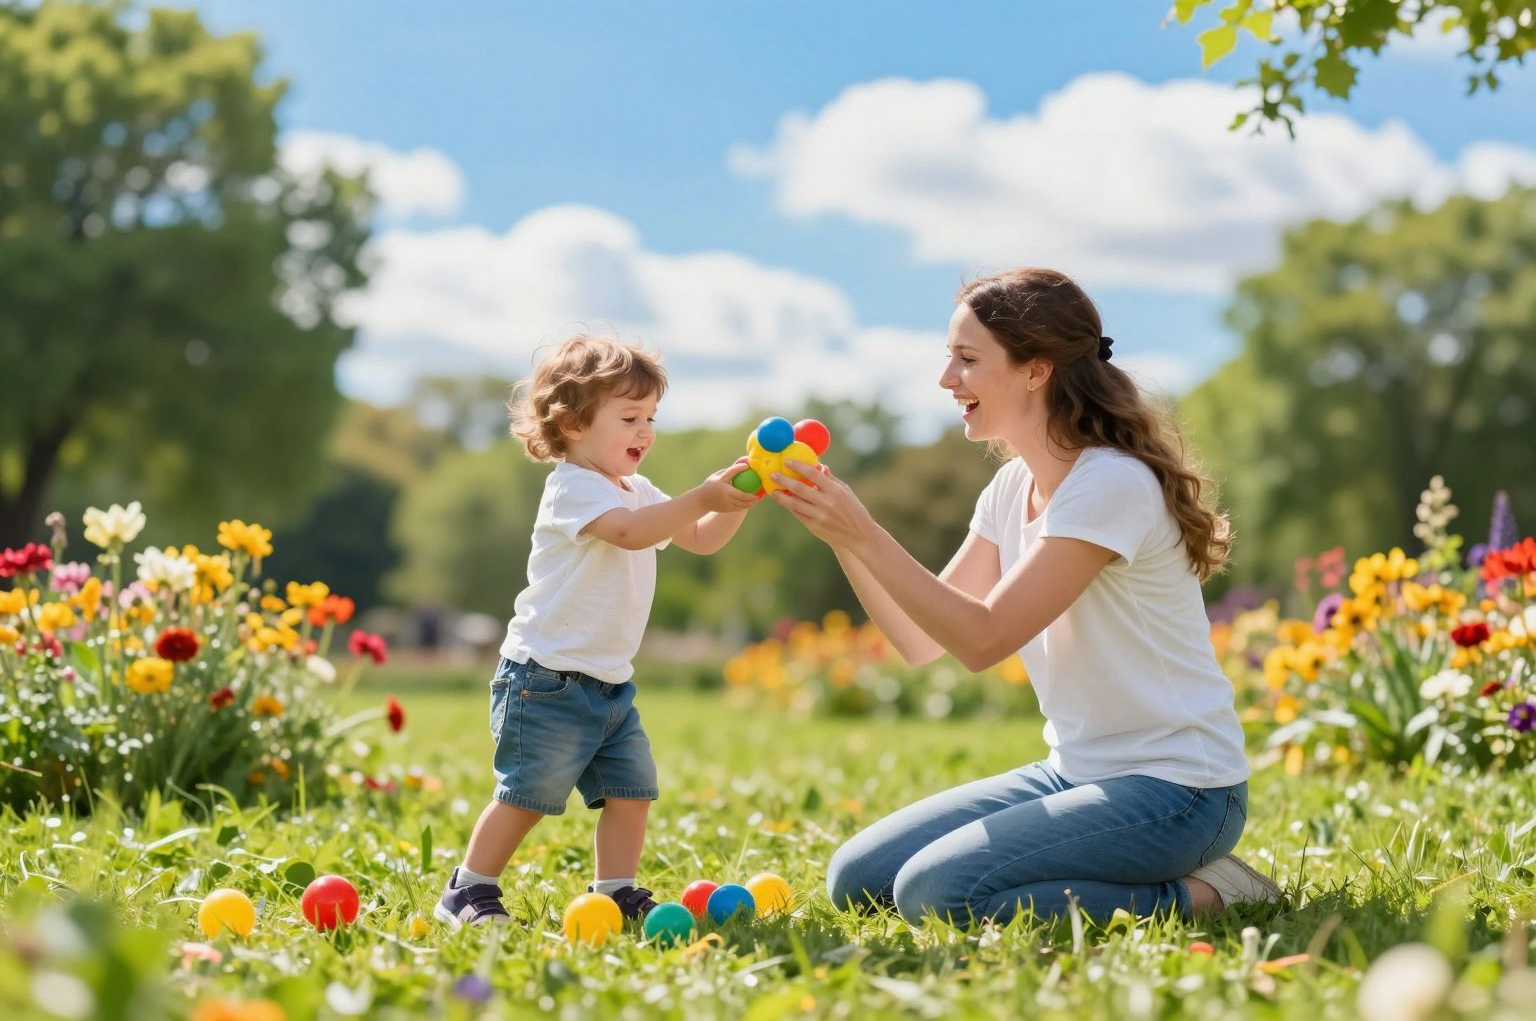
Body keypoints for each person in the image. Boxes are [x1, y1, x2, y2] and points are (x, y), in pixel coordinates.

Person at [770, 268, 1281, 924]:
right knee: (858, 880)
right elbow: (920, 640)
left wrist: (865, 531)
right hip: (1074, 773)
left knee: (935, 892)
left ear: (1036, 370)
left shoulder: (1110, 484)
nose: (946, 378)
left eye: (967, 359)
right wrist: (840, 533)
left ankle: (1211, 892)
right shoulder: (1011, 490)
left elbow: (984, 640)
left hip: (1178, 791)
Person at [435, 335, 759, 928]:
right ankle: (468, 888)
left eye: (651, 418)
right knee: (527, 795)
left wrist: (735, 500)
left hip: (610, 686)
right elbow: (632, 534)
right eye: (630, 417)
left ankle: (615, 890)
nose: (646, 431)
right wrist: (702, 495)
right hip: (544, 681)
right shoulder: (572, 487)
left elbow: (701, 537)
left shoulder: (638, 490)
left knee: (632, 793)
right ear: (575, 424)